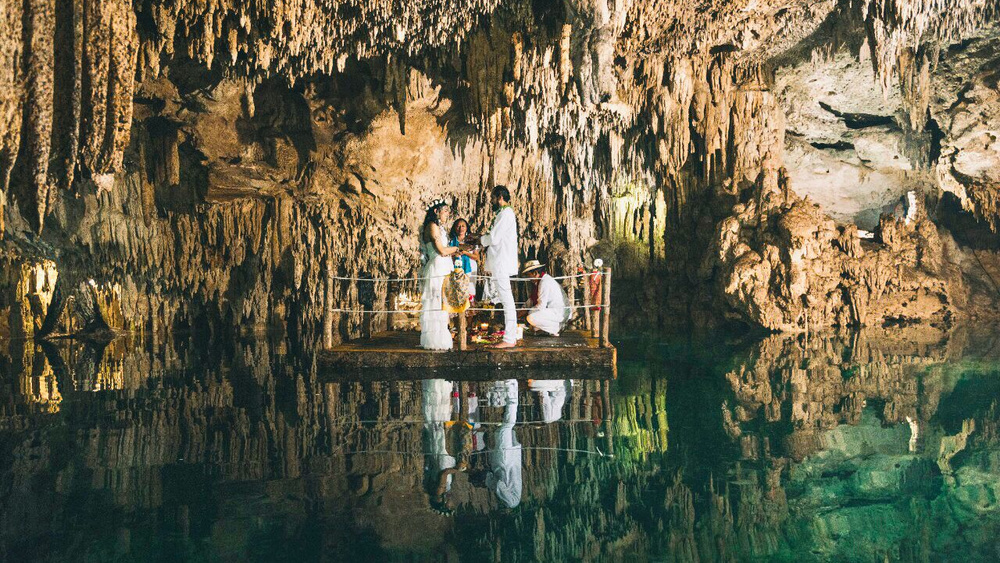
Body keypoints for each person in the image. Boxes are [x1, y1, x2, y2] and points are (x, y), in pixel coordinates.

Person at [479, 186, 519, 348]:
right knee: (504, 299)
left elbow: (493, 238)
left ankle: (509, 339)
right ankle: (509, 338)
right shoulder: (503, 214)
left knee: (507, 300)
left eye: (493, 198)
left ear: (500, 197)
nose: (491, 201)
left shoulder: (506, 214)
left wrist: (479, 240)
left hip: (501, 262)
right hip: (499, 262)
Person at [420, 199, 460, 350]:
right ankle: (434, 340)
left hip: (444, 266)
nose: (447, 214)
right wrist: (456, 248)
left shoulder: (440, 228)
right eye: (445, 211)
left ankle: (442, 336)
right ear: (436, 212)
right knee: (436, 302)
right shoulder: (431, 227)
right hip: (437, 266)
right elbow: (442, 250)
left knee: (443, 302)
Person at [520, 260, 571, 336]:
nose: (528, 278)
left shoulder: (544, 282)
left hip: (559, 313)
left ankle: (557, 328)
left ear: (535, 273)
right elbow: (531, 301)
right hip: (556, 312)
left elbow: (541, 306)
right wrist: (522, 309)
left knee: (530, 318)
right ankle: (551, 328)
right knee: (533, 326)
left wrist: (527, 311)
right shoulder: (542, 281)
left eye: (528, 275)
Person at [450, 218, 479, 301]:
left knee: (470, 291)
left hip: (470, 268)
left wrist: (465, 253)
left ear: (466, 228)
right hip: (455, 267)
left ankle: (470, 310)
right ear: (454, 228)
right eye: (458, 226)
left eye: (463, 226)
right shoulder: (451, 240)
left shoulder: (472, 240)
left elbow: (476, 257)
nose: (461, 228)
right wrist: (456, 254)